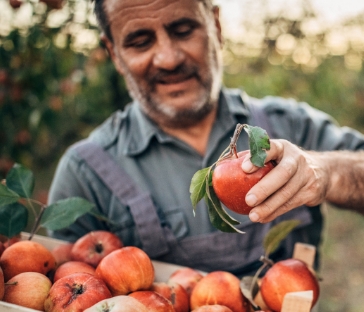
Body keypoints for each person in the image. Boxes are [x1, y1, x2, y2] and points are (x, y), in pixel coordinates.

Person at [48, 0, 364, 276]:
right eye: (141, 42)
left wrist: (329, 171)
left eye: (184, 31)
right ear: (114, 54)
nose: (169, 59)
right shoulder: (86, 172)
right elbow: (65, 289)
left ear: (216, 26)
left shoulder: (289, 124)